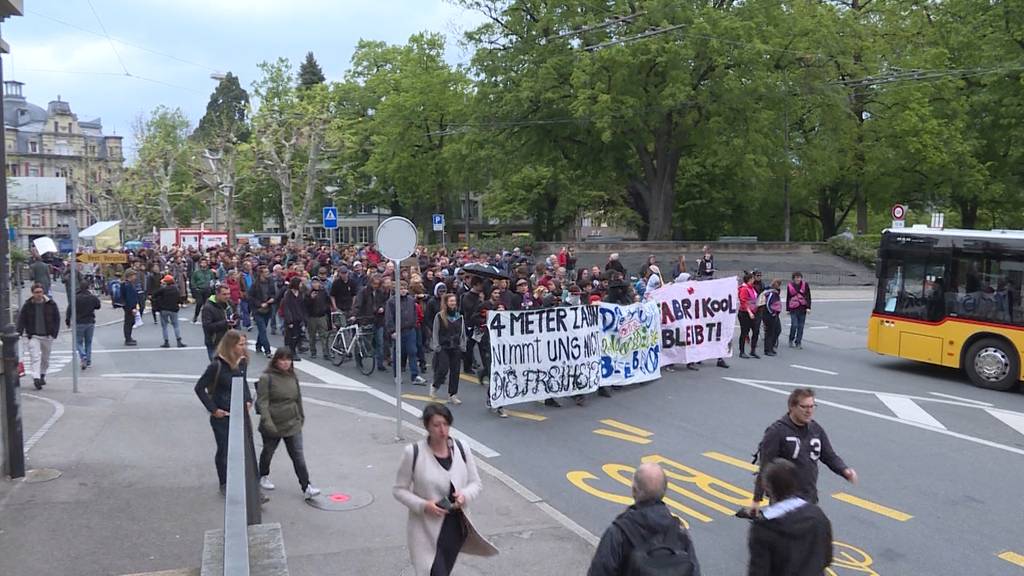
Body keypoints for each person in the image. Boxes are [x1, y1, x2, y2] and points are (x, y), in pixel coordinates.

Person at [393, 403, 498, 575]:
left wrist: (464, 495)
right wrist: (424, 505)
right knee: (433, 571)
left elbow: (475, 483)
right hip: (424, 530)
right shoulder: (413, 453)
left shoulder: (462, 448)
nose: (442, 430)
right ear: (427, 426)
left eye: (445, 424)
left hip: (454, 527)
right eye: (436, 425)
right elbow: (399, 490)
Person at [750, 388, 857, 513]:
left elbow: (829, 456)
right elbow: (765, 467)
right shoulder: (777, 431)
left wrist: (844, 470)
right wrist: (757, 500)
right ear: (792, 407)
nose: (809, 411)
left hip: (809, 497)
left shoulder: (816, 429)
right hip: (783, 501)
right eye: (804, 407)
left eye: (812, 406)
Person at [587, 462, 701, 576]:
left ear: (634, 491)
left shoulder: (619, 533)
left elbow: (599, 571)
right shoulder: (679, 530)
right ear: (664, 491)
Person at [746, 459, 833, 576]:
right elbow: (827, 558)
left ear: (767, 488)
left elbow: (758, 572)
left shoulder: (763, 529)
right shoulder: (817, 515)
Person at [193, 330, 254, 495]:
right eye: (241, 344)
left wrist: (248, 400)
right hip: (223, 416)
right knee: (225, 450)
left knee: (247, 449)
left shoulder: (242, 362)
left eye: (244, 344)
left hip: (240, 413)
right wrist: (213, 410)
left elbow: (243, 383)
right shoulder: (217, 365)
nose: (244, 347)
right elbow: (199, 388)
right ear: (231, 345)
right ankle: (225, 482)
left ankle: (250, 487)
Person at [256, 347, 321, 500]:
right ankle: (263, 475)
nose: (285, 363)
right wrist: (268, 422)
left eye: (288, 359)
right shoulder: (267, 378)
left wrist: (301, 416)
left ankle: (306, 486)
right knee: (268, 452)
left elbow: (297, 398)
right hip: (274, 422)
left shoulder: (292, 376)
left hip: (292, 423)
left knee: (298, 456)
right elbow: (263, 402)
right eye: (282, 359)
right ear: (276, 360)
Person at [18, 283, 60, 389]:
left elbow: (57, 319)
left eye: (40, 292)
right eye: (36, 292)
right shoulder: (28, 305)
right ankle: (36, 378)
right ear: (32, 293)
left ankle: (42, 375)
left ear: (43, 292)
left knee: (45, 358)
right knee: (35, 357)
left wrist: (54, 334)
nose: (39, 294)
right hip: (34, 335)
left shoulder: (51, 304)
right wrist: (19, 333)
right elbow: (22, 319)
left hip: (47, 336)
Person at [386, 280, 426, 385]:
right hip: (398, 331)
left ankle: (415, 375)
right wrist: (392, 331)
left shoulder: (411, 300)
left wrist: (414, 324)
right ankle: (397, 376)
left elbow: (414, 313)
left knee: (412, 351)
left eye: (404, 288)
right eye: (401, 288)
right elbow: (389, 317)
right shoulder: (391, 301)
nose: (403, 290)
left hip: (410, 329)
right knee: (397, 354)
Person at [430, 293, 466, 405]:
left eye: (454, 301)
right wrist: (436, 346)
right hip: (443, 347)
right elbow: (435, 332)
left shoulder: (459, 317)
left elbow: (462, 332)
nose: (453, 303)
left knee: (455, 371)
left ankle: (452, 394)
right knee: (443, 369)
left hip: (455, 347)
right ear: (446, 303)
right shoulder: (439, 316)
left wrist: (462, 345)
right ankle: (435, 385)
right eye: (451, 301)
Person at [66, 280, 101, 371]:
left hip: (79, 322)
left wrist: (68, 320)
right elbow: (98, 306)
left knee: (78, 342)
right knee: (88, 342)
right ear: (88, 287)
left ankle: (83, 356)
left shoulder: (75, 298)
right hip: (90, 322)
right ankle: (88, 360)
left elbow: (69, 309)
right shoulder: (92, 297)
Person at [248, 265, 276, 358]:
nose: (268, 274)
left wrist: (272, 298)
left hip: (268, 309)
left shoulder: (270, 282)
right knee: (263, 330)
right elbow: (250, 297)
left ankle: (258, 346)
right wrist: (259, 304)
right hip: (258, 310)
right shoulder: (255, 284)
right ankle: (267, 350)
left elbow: (273, 293)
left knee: (262, 329)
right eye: (266, 272)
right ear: (261, 273)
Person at [202, 284, 236, 360]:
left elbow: (235, 315)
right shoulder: (208, 307)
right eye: (224, 294)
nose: (227, 296)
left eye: (228, 294)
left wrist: (235, 321)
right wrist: (225, 323)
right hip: (215, 342)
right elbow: (207, 327)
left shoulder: (229, 303)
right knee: (217, 367)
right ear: (217, 294)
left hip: (229, 341)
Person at [152, 274, 186, 348]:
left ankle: (166, 342)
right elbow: (179, 300)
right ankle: (179, 341)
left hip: (163, 309)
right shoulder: (176, 289)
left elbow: (154, 295)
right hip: (174, 309)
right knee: (176, 325)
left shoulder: (163, 289)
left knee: (164, 327)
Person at [280, 277, 307, 361]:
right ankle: (290, 353)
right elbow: (286, 307)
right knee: (290, 337)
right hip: (291, 319)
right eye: (300, 283)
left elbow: (302, 306)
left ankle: (292, 351)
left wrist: (303, 318)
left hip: (298, 318)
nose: (301, 285)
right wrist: (289, 321)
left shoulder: (300, 293)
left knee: (297, 336)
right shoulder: (288, 294)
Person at [304, 278, 332, 359]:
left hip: (322, 316)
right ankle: (313, 352)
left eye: (317, 282)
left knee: (324, 336)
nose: (315, 284)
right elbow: (305, 305)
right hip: (312, 317)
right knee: (312, 336)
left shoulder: (324, 292)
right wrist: (311, 299)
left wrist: (328, 312)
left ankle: (326, 353)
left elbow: (328, 302)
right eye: (313, 283)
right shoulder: (308, 293)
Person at [787, 272, 812, 349]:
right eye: (796, 277)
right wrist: (787, 309)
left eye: (799, 277)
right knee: (794, 325)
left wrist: (808, 307)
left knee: (801, 326)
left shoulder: (805, 285)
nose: (798, 279)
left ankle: (798, 342)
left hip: (802, 308)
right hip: (793, 308)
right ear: (793, 278)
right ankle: (791, 339)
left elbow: (808, 296)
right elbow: (788, 297)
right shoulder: (790, 285)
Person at [738, 273, 760, 359]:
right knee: (744, 332)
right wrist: (749, 312)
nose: (754, 280)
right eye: (752, 279)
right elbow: (743, 301)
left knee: (756, 331)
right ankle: (742, 351)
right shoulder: (744, 289)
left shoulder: (751, 288)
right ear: (749, 279)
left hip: (753, 311)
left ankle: (753, 350)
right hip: (745, 313)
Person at [762, 279, 783, 356]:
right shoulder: (771, 293)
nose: (779, 286)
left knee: (777, 330)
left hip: (774, 314)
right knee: (769, 332)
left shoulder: (775, 292)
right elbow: (767, 304)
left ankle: (771, 347)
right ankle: (767, 349)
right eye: (778, 284)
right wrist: (772, 312)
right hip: (769, 315)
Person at [191, 258, 215, 323]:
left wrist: (212, 286)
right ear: (200, 264)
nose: (203, 264)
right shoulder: (196, 272)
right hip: (199, 290)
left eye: (205, 262)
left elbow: (212, 280)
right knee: (199, 303)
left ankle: (206, 317)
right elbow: (193, 281)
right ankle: (196, 316)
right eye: (202, 262)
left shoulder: (210, 272)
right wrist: (195, 288)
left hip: (207, 290)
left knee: (207, 305)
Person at [122, 269, 141, 346]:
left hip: (129, 306)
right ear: (129, 276)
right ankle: (128, 339)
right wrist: (132, 308)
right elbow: (129, 298)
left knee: (130, 322)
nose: (135, 277)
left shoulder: (129, 284)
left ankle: (129, 337)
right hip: (129, 307)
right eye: (134, 275)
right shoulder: (128, 285)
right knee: (128, 322)